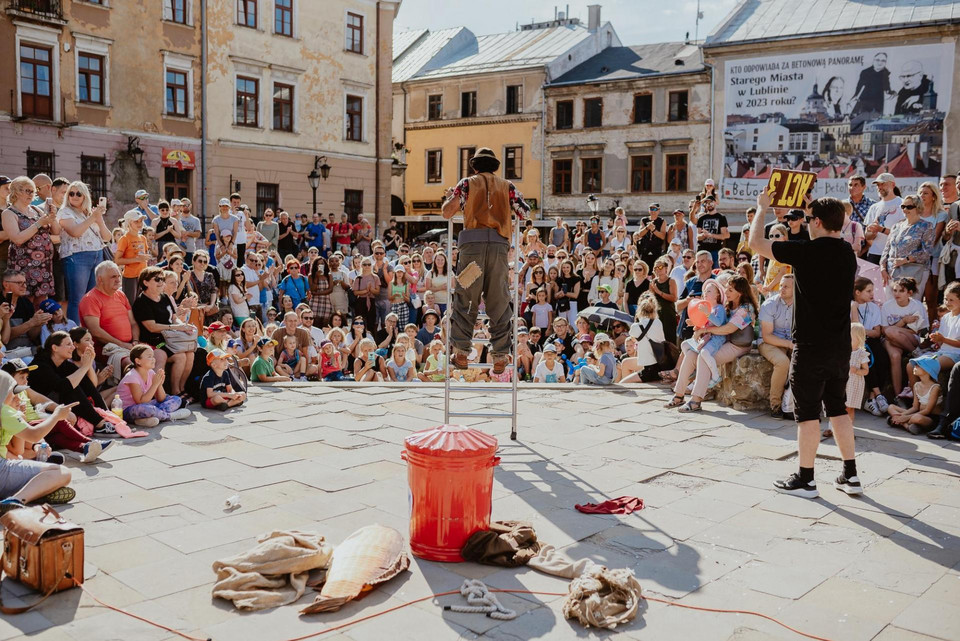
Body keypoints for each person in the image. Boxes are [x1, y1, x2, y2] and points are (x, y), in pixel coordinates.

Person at [749, 191, 861, 499]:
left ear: (819, 222)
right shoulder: (847, 252)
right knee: (837, 408)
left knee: (809, 414)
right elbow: (829, 221)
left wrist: (762, 208)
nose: (807, 222)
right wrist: (813, 209)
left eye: (810, 219)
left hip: (811, 346)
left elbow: (755, 244)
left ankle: (806, 479)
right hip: (839, 346)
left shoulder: (806, 252)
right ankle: (851, 475)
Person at [442, 148, 529, 375]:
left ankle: (461, 352)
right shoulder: (507, 186)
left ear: (475, 166)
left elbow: (447, 212)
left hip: (472, 247)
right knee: (499, 299)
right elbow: (524, 212)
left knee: (466, 297)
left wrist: (453, 197)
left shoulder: (468, 183)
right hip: (499, 247)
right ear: (495, 167)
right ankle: (500, 355)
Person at [0, 371, 77, 513]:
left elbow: (18, 451)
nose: (17, 397)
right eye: (13, 392)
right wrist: (56, 416)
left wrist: (20, 417)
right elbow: (34, 435)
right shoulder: (4, 411)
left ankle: (36, 492)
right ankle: (15, 499)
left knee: (27, 467)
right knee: (62, 473)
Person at [57, 181, 111, 323]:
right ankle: (76, 334)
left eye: (78, 193)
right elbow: (75, 232)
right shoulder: (64, 212)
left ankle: (90, 332)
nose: (74, 196)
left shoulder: (90, 212)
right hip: (76, 257)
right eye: (71, 193)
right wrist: (93, 217)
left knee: (91, 298)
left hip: (97, 255)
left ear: (85, 196)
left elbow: (107, 237)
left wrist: (98, 219)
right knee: (77, 298)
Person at [3, 176, 59, 303]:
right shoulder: (9, 213)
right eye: (27, 190)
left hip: (43, 266)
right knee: (24, 303)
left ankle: (41, 324)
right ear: (16, 191)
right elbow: (17, 239)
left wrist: (53, 217)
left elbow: (56, 231)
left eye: (33, 191)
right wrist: (39, 223)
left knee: (42, 304)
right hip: (23, 266)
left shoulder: (37, 210)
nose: (31, 194)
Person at [117, 345, 191, 427]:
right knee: (148, 409)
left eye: (153, 356)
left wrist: (159, 384)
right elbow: (141, 402)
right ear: (138, 361)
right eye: (149, 357)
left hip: (146, 406)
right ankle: (170, 416)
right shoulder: (132, 376)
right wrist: (155, 384)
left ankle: (146, 419)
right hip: (129, 410)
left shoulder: (150, 372)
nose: (153, 359)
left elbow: (161, 398)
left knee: (177, 399)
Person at [880, 194, 933, 297]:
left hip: (914, 272)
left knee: (911, 304)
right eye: (903, 206)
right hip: (892, 272)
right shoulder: (896, 226)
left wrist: (905, 260)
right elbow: (887, 249)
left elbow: (926, 252)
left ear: (918, 208)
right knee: (890, 304)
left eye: (909, 207)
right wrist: (882, 267)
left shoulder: (926, 226)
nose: (905, 209)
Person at [758, 274, 795, 418]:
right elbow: (767, 335)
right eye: (781, 285)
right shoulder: (769, 304)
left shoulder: (802, 305)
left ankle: (801, 404)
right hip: (769, 342)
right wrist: (788, 344)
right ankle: (775, 405)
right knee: (783, 362)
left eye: (786, 286)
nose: (782, 289)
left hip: (791, 342)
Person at [887, 356, 941, 434]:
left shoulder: (935, 387)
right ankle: (907, 426)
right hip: (918, 412)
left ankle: (897, 421)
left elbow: (928, 410)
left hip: (929, 417)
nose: (914, 367)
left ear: (927, 370)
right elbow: (915, 407)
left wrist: (905, 417)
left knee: (917, 418)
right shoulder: (916, 385)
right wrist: (902, 415)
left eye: (918, 365)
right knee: (891, 407)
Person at [862, 173, 904, 265]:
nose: (879, 187)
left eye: (883, 184)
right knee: (871, 279)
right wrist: (872, 232)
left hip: (895, 254)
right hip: (875, 253)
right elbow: (867, 236)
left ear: (892, 185)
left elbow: (904, 233)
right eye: (878, 185)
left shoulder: (903, 204)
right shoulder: (874, 207)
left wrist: (881, 229)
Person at [115, 209, 150, 303]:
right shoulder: (124, 239)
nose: (140, 223)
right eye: (136, 221)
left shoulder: (143, 238)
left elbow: (144, 255)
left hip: (143, 276)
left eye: (141, 221)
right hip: (130, 277)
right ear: (129, 223)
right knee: (130, 305)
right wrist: (136, 259)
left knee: (141, 304)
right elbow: (117, 260)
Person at [846, 323, 870, 430]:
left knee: (849, 408)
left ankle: (849, 429)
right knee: (837, 406)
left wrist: (856, 370)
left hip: (854, 384)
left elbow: (866, 371)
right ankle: (832, 427)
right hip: (842, 382)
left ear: (859, 339)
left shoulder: (861, 354)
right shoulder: (843, 351)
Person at [695, 196, 728, 266]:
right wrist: (704, 235)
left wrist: (710, 235)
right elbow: (698, 237)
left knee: (716, 272)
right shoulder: (701, 218)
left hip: (716, 251)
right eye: (706, 203)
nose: (709, 204)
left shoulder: (721, 217)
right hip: (703, 251)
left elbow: (723, 236)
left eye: (710, 202)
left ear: (715, 203)